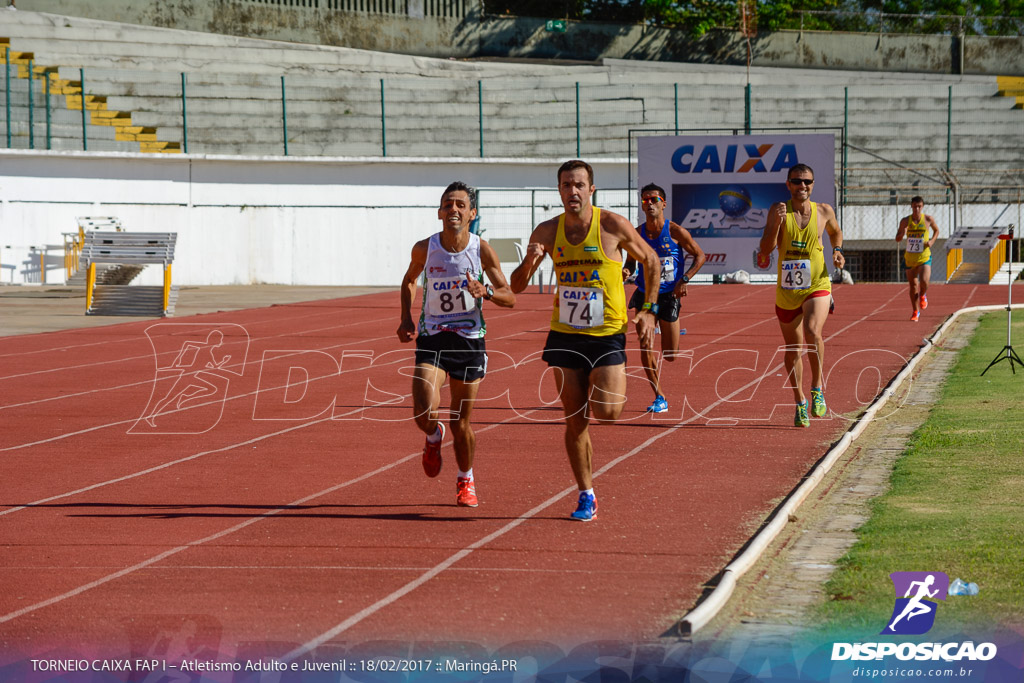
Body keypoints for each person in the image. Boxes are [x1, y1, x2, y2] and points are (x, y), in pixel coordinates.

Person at [510, 160, 661, 521]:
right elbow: (514, 287)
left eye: (579, 185)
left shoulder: (611, 225)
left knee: (608, 413)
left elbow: (651, 260)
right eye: (566, 185)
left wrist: (649, 310)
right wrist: (529, 264)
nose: (572, 191)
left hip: (606, 333)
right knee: (574, 419)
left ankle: (597, 387)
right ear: (559, 191)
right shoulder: (547, 230)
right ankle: (586, 493)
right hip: (564, 333)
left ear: (591, 189)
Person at [397, 182, 515, 507]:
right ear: (439, 212)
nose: (454, 210)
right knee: (423, 410)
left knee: (460, 422)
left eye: (460, 205)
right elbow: (409, 279)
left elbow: (510, 296)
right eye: (448, 204)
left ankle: (466, 478)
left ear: (472, 213)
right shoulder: (425, 248)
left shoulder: (482, 250)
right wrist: (406, 318)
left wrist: (487, 292)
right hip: (433, 337)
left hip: (469, 342)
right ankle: (433, 437)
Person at [756, 163, 845, 428]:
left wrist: (837, 250)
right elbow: (765, 249)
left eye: (807, 182)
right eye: (797, 181)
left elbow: (835, 232)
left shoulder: (824, 210)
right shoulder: (777, 209)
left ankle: (817, 388)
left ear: (813, 185)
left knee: (812, 331)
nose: (802, 186)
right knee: (793, 348)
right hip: (787, 291)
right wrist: (777, 223)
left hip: (816, 284)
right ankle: (799, 401)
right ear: (788, 184)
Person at [622, 183, 706, 413]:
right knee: (645, 346)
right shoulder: (637, 234)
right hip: (644, 296)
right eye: (645, 200)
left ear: (663, 204)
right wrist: (627, 271)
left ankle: (666, 328)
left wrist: (685, 279)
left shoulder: (676, 231)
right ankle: (659, 396)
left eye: (654, 199)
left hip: (669, 295)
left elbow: (700, 256)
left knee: (670, 355)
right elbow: (630, 262)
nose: (649, 204)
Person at [895, 195, 940, 322]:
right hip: (910, 258)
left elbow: (937, 231)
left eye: (919, 206)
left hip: (924, 256)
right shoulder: (905, 221)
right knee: (913, 285)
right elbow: (897, 238)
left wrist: (931, 241)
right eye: (915, 207)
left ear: (922, 206)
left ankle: (923, 294)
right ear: (911, 206)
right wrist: (902, 233)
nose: (917, 209)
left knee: (924, 281)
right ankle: (915, 311)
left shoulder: (927, 219)